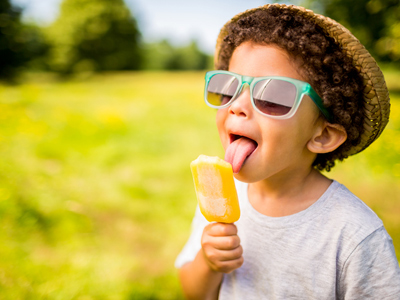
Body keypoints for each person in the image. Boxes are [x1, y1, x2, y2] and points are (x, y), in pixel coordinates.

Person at [175, 4, 400, 299]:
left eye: (272, 96)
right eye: (228, 88)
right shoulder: (220, 200)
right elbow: (194, 293)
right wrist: (208, 262)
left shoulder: (353, 234)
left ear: (323, 135)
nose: (237, 106)